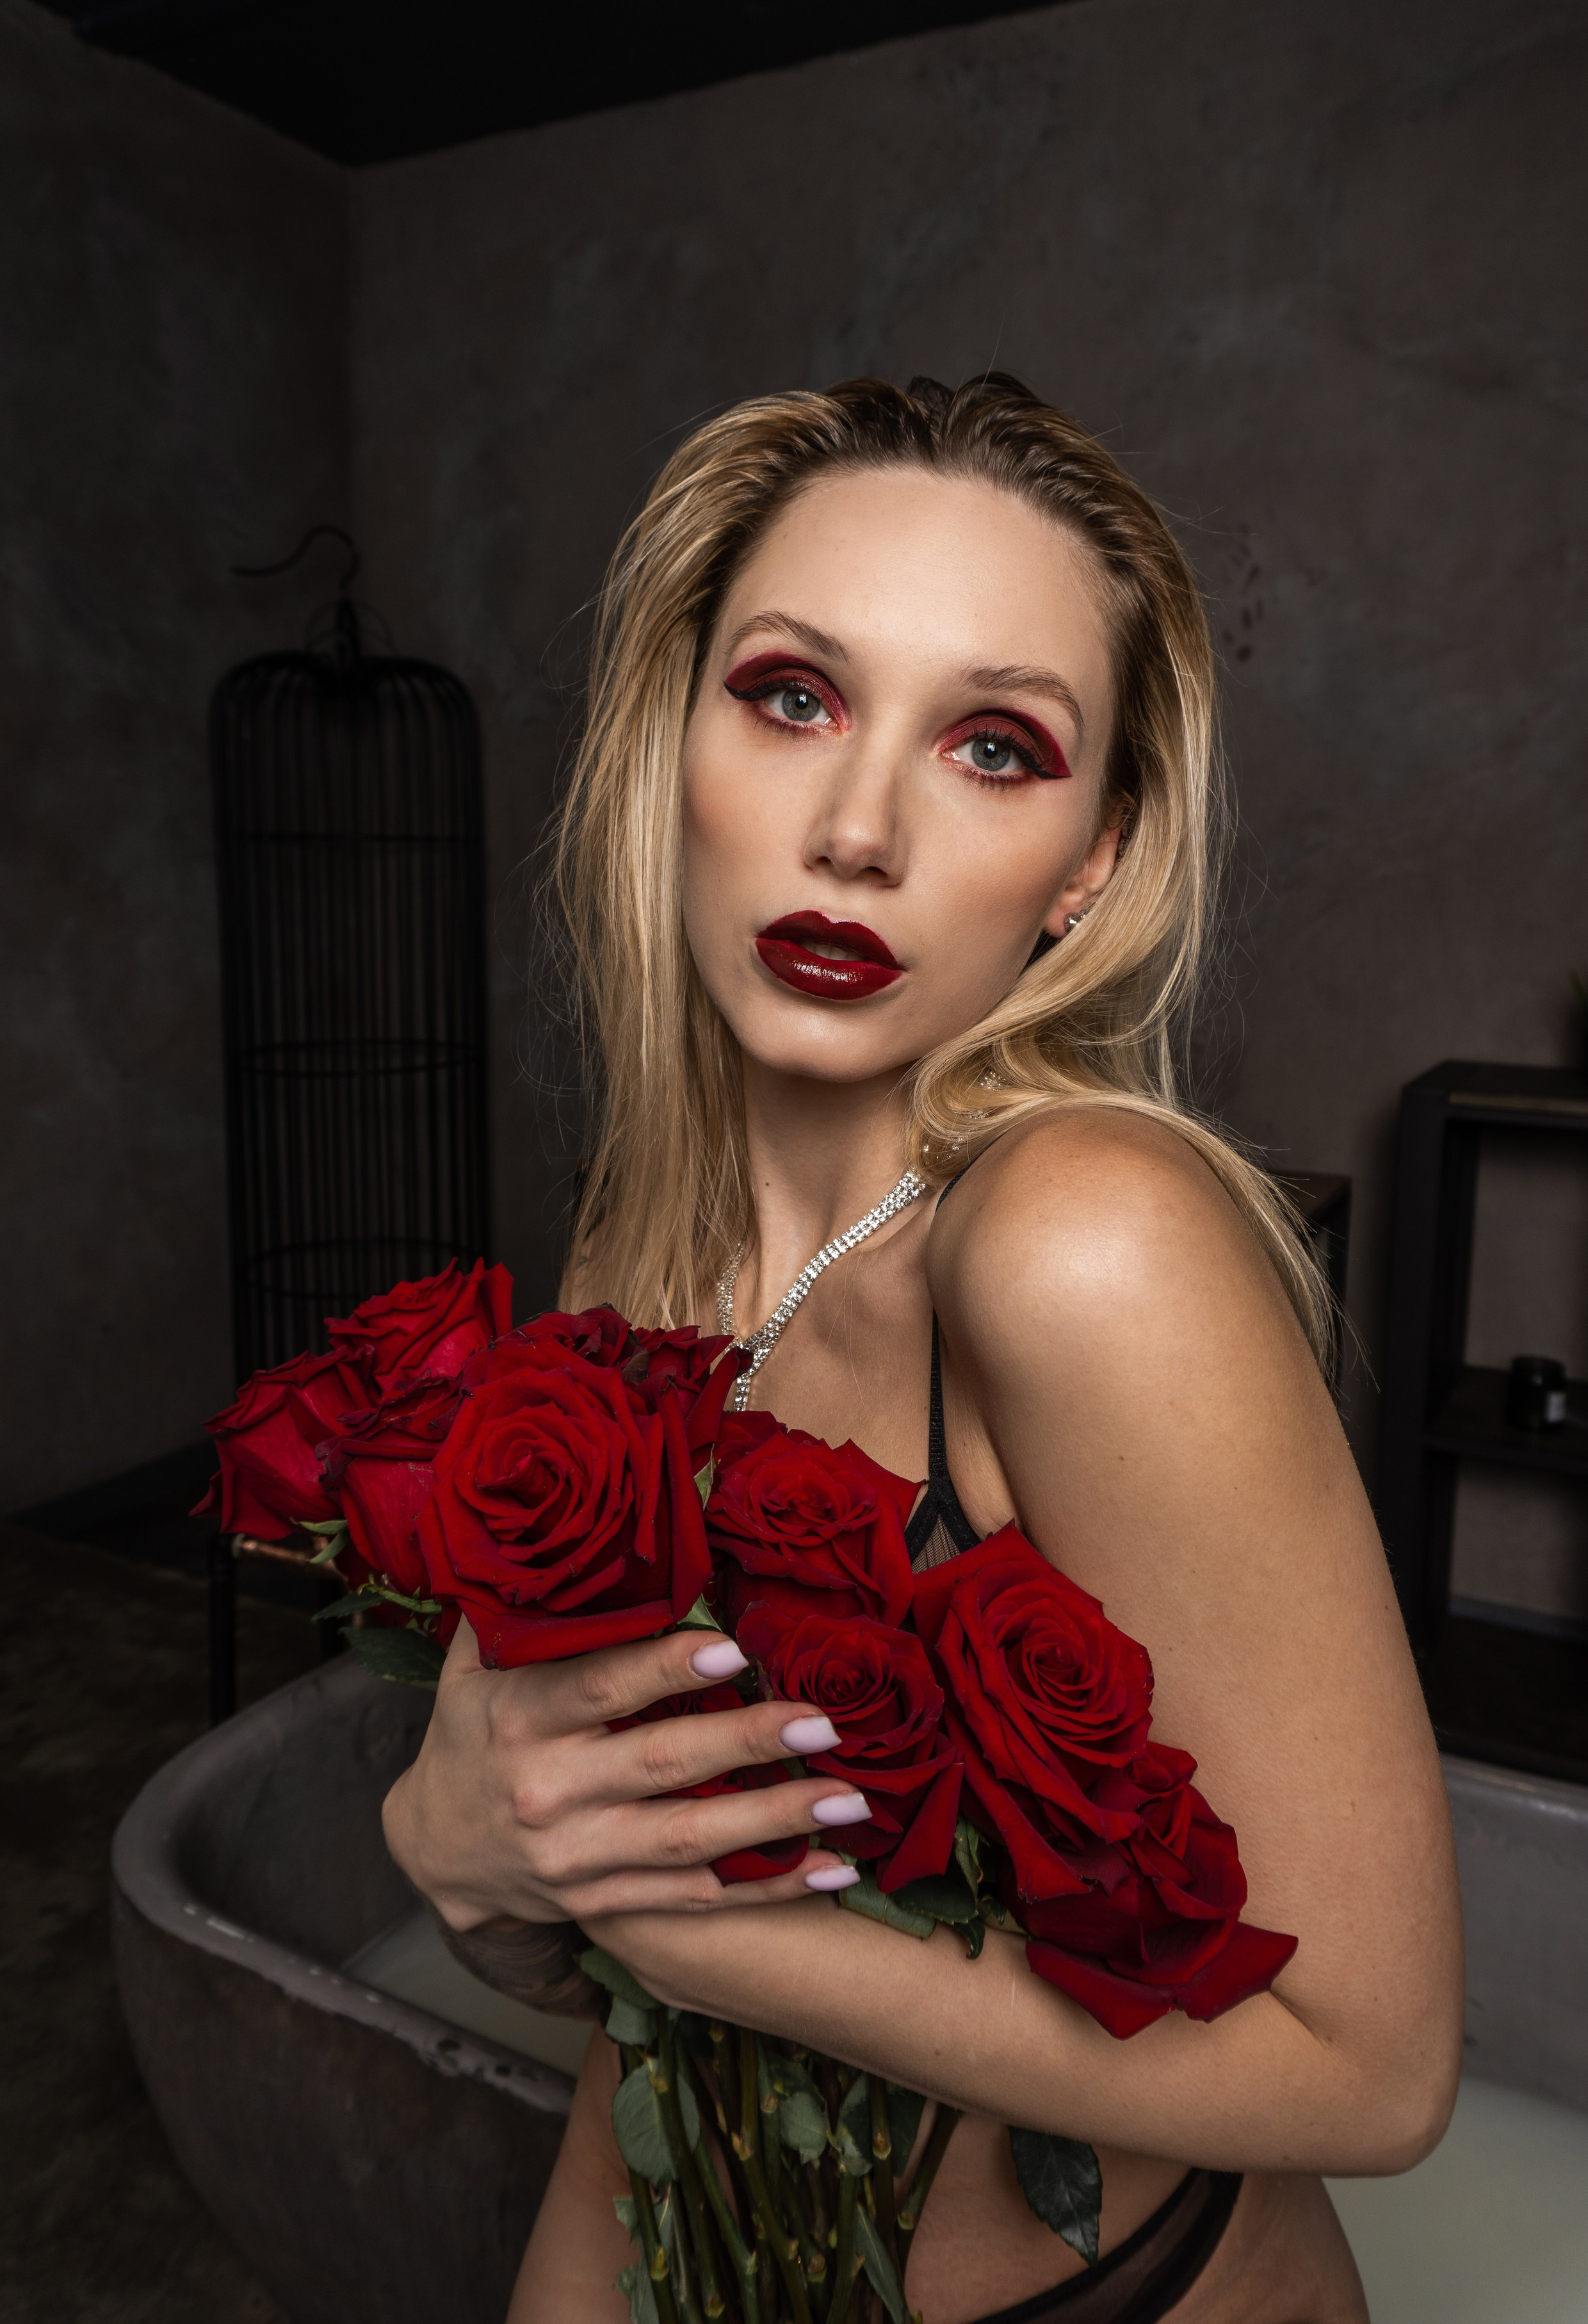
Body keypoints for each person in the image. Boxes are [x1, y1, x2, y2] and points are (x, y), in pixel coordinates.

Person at [382, 373, 1462, 2323]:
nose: (859, 829)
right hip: (665, 2254)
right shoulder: (639, 1234)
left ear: (1093, 861)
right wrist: (459, 1855)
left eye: (991, 747)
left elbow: (1376, 2073)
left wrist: (714, 1945)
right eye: (792, 696)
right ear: (674, 737)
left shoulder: (1080, 1243)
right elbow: (583, 1943)